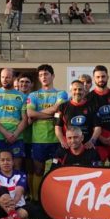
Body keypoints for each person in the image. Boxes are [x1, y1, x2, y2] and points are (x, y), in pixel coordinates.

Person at [25, 64, 68, 198]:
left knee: (57, 170)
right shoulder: (34, 95)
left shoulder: (61, 93)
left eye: (46, 74)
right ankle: (36, 199)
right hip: (39, 138)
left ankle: (56, 198)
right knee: (38, 169)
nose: (44, 77)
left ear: (53, 76)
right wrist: (51, 113)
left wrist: (37, 114)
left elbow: (58, 109)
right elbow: (30, 113)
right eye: (41, 75)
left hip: (57, 137)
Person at [0, 67, 27, 170]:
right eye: (2, 77)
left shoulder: (22, 96)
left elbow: (25, 119)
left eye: (7, 77)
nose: (4, 79)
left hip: (16, 138)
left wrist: (15, 135)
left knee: (17, 166)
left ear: (13, 78)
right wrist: (6, 133)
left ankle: (15, 186)